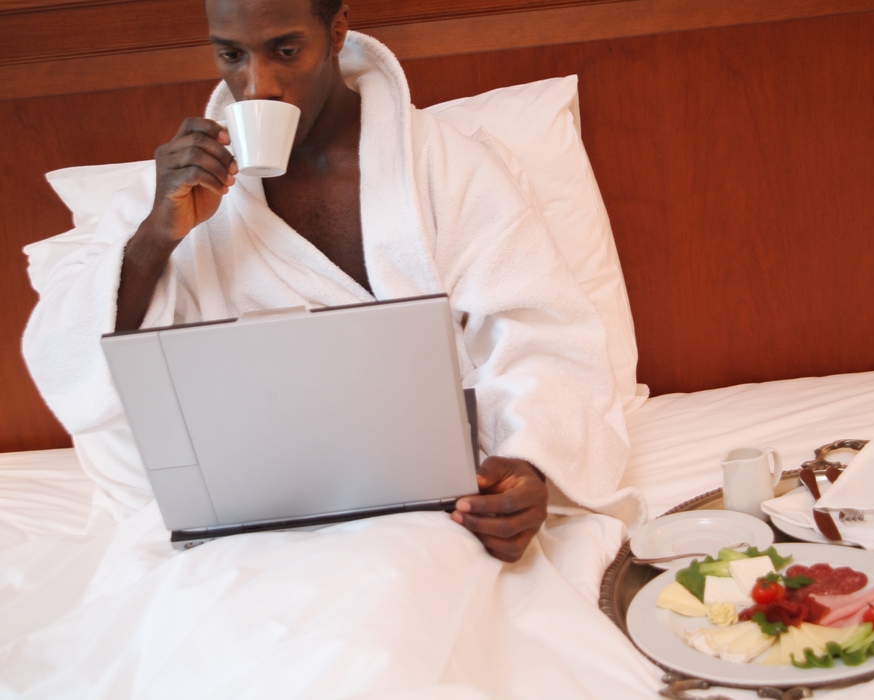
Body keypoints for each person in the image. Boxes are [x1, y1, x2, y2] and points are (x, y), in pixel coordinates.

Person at [23, 0, 642, 562]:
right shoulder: (176, 194)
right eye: (231, 55)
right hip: (251, 527)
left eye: (285, 51)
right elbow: (67, 361)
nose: (256, 85)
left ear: (337, 29)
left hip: (434, 510)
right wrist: (159, 234)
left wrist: (531, 464)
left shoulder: (444, 168)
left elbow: (542, 334)